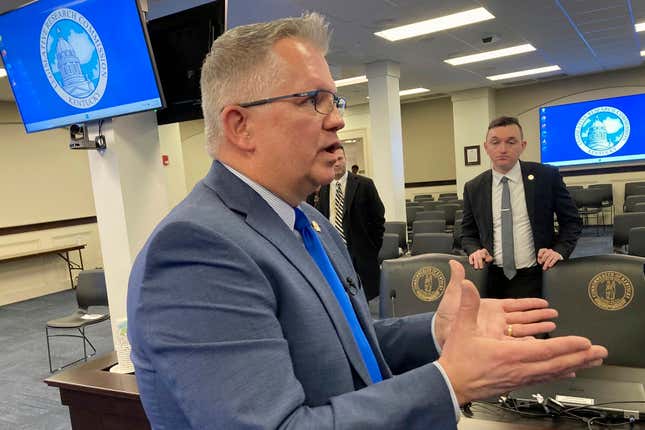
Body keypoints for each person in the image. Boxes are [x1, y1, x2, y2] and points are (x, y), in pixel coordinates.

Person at [127, 14, 606, 429]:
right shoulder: (197, 250)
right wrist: (451, 380)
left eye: (335, 101)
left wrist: (433, 333)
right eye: (312, 99)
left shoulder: (308, 222)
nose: (336, 120)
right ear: (240, 126)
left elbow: (341, 343)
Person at [461, 116, 582, 298]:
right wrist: (475, 250)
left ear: (522, 145)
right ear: (486, 147)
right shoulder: (474, 187)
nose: (503, 149)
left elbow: (572, 222)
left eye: (511, 142)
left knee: (533, 326)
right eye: (495, 142)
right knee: (494, 327)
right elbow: (467, 233)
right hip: (491, 277)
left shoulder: (546, 177)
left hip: (536, 275)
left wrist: (559, 251)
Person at [307, 146, 385, 300]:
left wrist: (371, 248)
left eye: (339, 159)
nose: (336, 163)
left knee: (364, 300)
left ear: (345, 159)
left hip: (361, 255)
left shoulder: (365, 184)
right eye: (332, 160)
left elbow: (378, 219)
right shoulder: (321, 188)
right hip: (332, 252)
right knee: (338, 298)